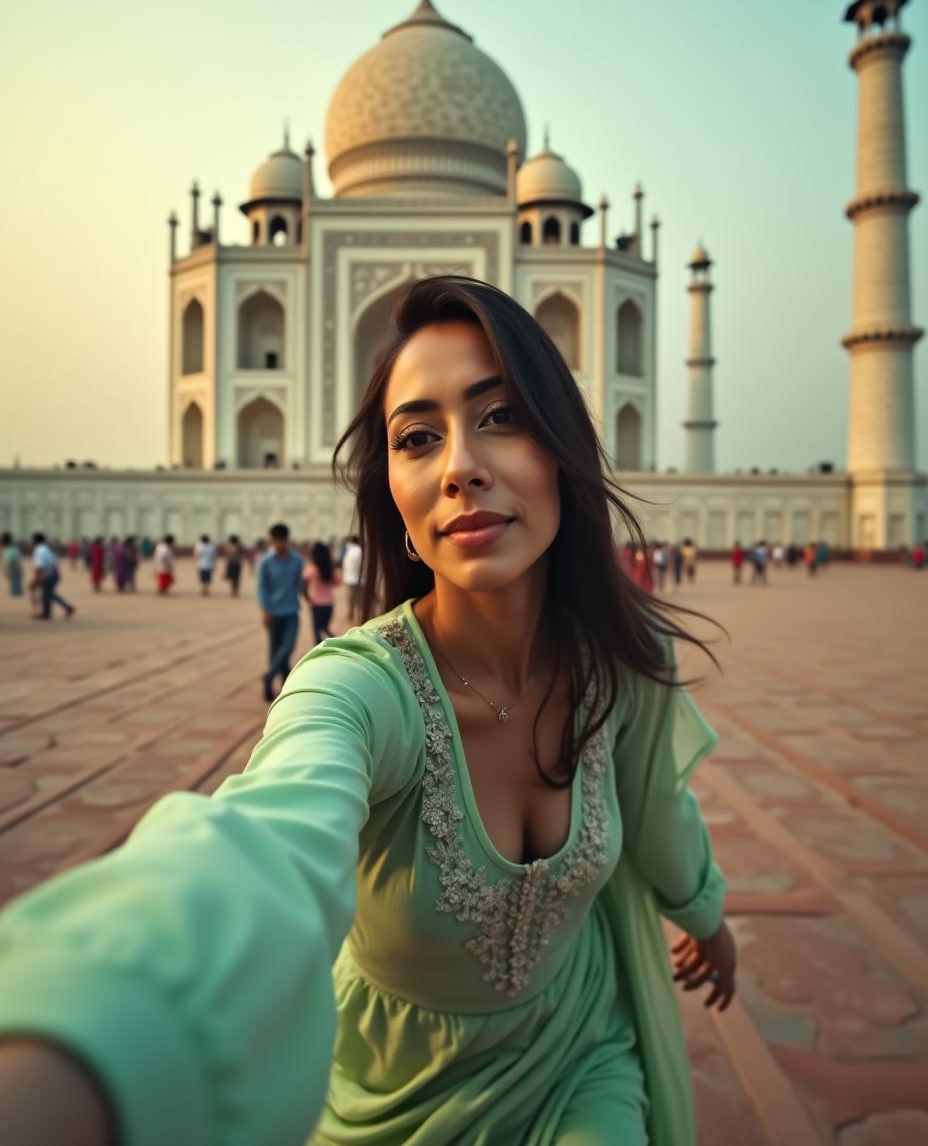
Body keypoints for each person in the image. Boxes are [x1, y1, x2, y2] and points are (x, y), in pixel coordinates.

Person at [0, 277, 734, 1146]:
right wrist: (89, 1033)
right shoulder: (361, 690)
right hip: (387, 1092)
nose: (460, 465)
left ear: (563, 447)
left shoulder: (619, 662)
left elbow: (656, 812)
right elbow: (261, 844)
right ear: (393, 490)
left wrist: (706, 916)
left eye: (500, 416)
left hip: (579, 1047)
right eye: (418, 437)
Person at [257, 523, 304, 702]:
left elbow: (300, 583)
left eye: (282, 541)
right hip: (273, 612)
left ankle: (268, 676)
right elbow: (262, 587)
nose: (279, 544)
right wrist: (264, 610)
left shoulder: (296, 560)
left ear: (286, 540)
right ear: (272, 541)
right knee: (275, 650)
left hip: (291, 610)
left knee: (288, 646)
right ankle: (275, 686)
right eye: (276, 541)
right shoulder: (266, 562)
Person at [28, 531, 75, 621]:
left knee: (46, 595)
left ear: (35, 541)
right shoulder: (45, 549)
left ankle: (46, 614)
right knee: (49, 594)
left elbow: (39, 568)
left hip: (49, 575)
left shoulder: (40, 551)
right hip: (53, 574)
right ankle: (67, 608)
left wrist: (34, 581)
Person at [303, 541, 342, 645]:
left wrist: (308, 599)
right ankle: (335, 642)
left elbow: (303, 587)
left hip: (316, 604)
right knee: (325, 628)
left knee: (317, 631)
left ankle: (323, 648)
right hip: (329, 604)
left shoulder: (311, 569)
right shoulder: (330, 569)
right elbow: (338, 582)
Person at [341, 534, 364, 623]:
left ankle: (351, 614)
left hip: (349, 578)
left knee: (350, 598)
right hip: (359, 579)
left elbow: (345, 564)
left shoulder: (349, 551)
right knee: (359, 600)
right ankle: (359, 617)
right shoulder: (360, 551)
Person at [1, 532, 24, 597]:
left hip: (9, 559)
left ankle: (14, 590)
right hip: (13, 559)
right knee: (16, 576)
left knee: (13, 577)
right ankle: (16, 590)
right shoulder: (12, 544)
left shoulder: (5, 543)